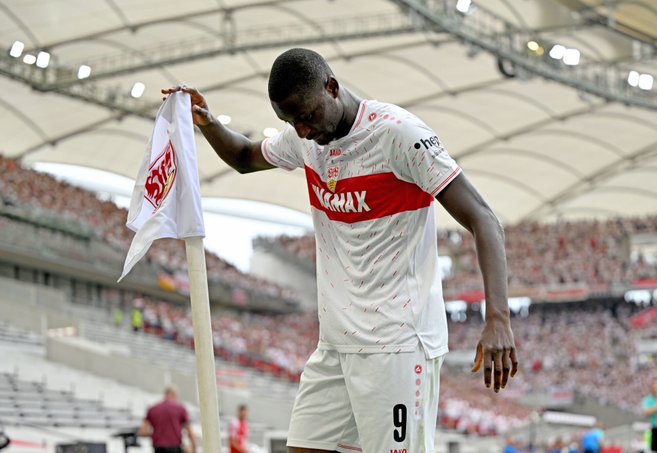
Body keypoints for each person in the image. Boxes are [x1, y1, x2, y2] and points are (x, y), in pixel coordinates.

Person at [162, 47, 518, 453]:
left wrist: (499, 318)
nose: (301, 131)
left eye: (307, 116)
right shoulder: (307, 141)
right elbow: (244, 156)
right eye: (290, 122)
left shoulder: (398, 134)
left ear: (331, 87)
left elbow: (484, 219)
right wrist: (207, 122)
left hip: (397, 344)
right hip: (335, 345)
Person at [139, 385, 197, 453]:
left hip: (159, 449)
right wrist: (194, 447)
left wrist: (156, 434)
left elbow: (143, 432)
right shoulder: (181, 409)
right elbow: (190, 432)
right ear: (174, 395)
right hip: (175, 448)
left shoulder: (153, 409)